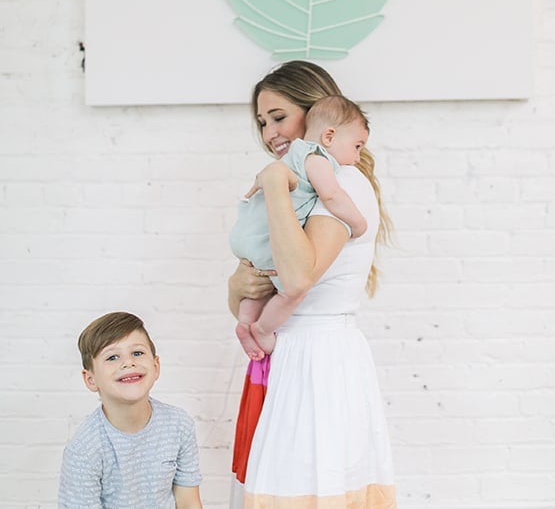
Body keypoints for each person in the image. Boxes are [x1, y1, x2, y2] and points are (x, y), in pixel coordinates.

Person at [228, 60, 396, 509]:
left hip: (318, 363)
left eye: (279, 117)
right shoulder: (306, 186)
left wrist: (274, 184)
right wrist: (237, 282)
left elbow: (298, 278)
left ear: (318, 115)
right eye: (262, 123)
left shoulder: (340, 183)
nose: (269, 134)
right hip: (289, 357)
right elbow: (254, 285)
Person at [231, 94, 369, 360]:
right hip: (308, 345)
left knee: (264, 290)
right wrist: (358, 223)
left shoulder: (289, 162)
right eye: (357, 147)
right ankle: (259, 328)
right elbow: (295, 285)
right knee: (287, 292)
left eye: (279, 117)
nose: (270, 133)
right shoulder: (318, 160)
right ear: (329, 136)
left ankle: (247, 323)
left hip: (246, 236)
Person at [58, 311, 203, 509]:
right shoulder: (84, 449)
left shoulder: (179, 425)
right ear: (91, 379)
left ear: (156, 365)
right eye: (112, 357)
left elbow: (188, 501)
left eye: (137, 353)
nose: (128, 363)